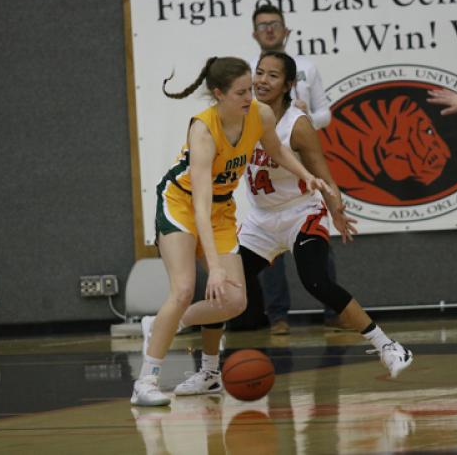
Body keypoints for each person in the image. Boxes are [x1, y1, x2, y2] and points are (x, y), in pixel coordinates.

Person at [169, 52, 413, 396]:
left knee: (316, 281)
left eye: (272, 75)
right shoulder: (243, 113)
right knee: (223, 290)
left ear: (288, 84)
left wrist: (337, 209)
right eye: (259, 73)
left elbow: (322, 170)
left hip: (301, 212)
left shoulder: (297, 124)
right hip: (261, 219)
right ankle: (210, 372)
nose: (262, 80)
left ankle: (388, 346)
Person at [131, 56, 329, 407]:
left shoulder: (260, 114)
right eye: (241, 92)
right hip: (181, 205)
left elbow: (277, 150)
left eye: (251, 89)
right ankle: (146, 380)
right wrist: (216, 267)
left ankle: (170, 332)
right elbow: (200, 208)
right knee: (184, 289)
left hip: (220, 211)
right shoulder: (204, 131)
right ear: (219, 94)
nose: (250, 97)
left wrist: (305, 174)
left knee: (235, 301)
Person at [248, 3, 338, 335]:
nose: (269, 30)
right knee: (269, 245)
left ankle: (333, 310)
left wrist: (302, 118)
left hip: (298, 157)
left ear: (286, 31)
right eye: (262, 25)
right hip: (264, 166)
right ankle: (278, 316)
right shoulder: (249, 72)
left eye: (274, 24)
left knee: (314, 238)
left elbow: (325, 114)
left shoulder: (307, 68)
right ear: (254, 34)